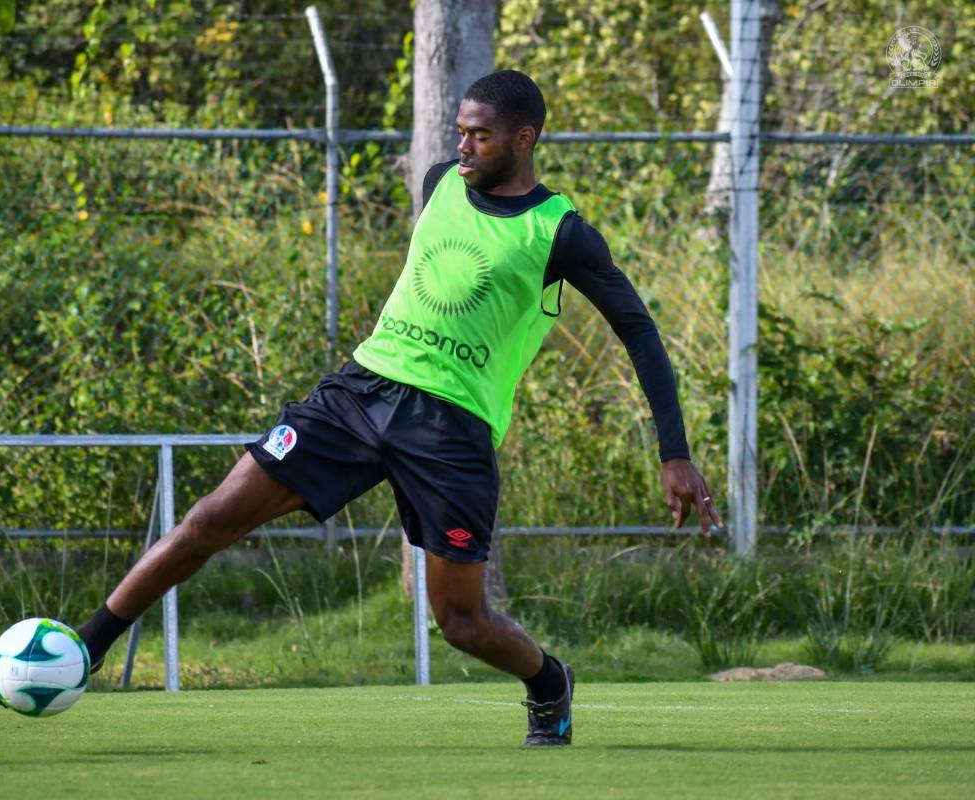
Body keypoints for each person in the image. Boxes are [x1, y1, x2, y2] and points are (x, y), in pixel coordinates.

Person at [74, 70, 721, 746]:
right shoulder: (441, 182)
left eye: (480, 136)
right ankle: (85, 649)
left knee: (461, 623)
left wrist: (673, 453)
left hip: (452, 429)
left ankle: (548, 679)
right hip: (361, 391)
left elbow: (639, 332)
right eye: (460, 132)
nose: (463, 146)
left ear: (524, 140)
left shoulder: (560, 233)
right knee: (211, 518)